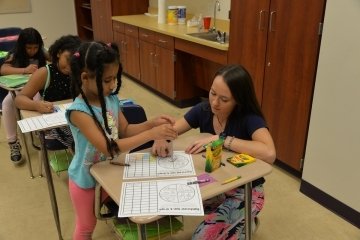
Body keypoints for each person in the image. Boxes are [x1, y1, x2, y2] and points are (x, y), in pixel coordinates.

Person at [65, 41, 177, 240]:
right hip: (85, 180)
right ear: (84, 77)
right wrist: (152, 134)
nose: (113, 85)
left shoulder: (110, 99)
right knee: (85, 226)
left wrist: (151, 123)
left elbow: (125, 130)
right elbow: (109, 148)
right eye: (107, 80)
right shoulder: (78, 112)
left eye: (114, 79)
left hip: (110, 172)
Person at [152, 64, 276, 240]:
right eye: (212, 93)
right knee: (167, 198)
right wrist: (161, 137)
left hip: (246, 190)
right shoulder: (203, 109)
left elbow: (269, 153)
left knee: (201, 237)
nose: (214, 103)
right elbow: (173, 130)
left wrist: (222, 139)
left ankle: (247, 220)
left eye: (224, 99)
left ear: (238, 101)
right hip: (216, 183)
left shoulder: (249, 118)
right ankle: (241, 223)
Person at [15, 35, 81, 152]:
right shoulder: (45, 73)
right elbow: (19, 99)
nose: (71, 66)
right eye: (67, 59)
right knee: (81, 138)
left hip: (77, 117)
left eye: (75, 62)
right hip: (55, 124)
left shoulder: (80, 72)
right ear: (58, 53)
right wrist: (36, 105)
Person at [0, 27, 49, 165]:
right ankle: (13, 143)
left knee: (39, 102)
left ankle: (43, 135)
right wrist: (24, 70)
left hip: (39, 89)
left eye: (35, 47)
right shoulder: (15, 53)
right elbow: (3, 69)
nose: (32, 51)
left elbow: (55, 58)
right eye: (29, 48)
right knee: (7, 104)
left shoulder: (42, 52)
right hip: (20, 90)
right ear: (22, 46)